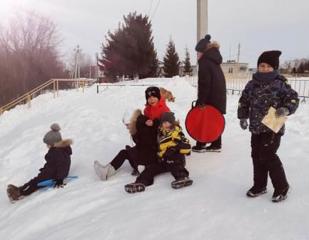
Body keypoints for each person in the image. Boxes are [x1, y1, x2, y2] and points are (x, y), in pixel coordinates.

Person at [237, 50, 299, 202]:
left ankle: (282, 186)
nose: (264, 68)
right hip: (256, 128)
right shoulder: (252, 84)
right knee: (256, 156)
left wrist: (286, 108)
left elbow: (293, 99)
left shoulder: (280, 84)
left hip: (273, 126)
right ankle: (260, 185)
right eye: (262, 65)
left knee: (268, 156)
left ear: (274, 68)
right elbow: (243, 101)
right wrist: (243, 116)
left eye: (268, 66)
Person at [94, 86, 170, 180]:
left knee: (132, 149)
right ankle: (106, 171)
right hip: (146, 144)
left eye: (154, 96)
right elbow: (144, 127)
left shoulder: (164, 110)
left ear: (158, 97)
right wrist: (137, 127)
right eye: (149, 97)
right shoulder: (147, 110)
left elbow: (168, 125)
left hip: (156, 148)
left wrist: (154, 123)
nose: (151, 99)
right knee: (124, 152)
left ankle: (141, 166)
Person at [124, 112, 192, 193]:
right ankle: (140, 183)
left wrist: (175, 148)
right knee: (150, 168)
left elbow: (187, 147)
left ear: (172, 123)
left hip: (176, 159)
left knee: (174, 160)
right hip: (163, 160)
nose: (166, 124)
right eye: (164, 122)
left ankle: (182, 177)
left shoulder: (177, 133)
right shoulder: (160, 133)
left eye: (168, 122)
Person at [7, 123, 73, 202]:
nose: (47, 146)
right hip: (51, 172)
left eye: (48, 144)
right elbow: (54, 163)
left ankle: (20, 193)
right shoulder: (60, 149)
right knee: (35, 180)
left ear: (53, 143)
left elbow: (62, 165)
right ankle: (21, 188)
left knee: (36, 183)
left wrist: (59, 179)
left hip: (54, 175)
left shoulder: (57, 152)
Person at [192, 34, 227, 153]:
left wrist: (201, 101)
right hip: (218, 97)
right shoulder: (214, 60)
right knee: (214, 120)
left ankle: (201, 144)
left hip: (210, 97)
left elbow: (204, 83)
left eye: (198, 52)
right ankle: (216, 144)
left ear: (203, 52)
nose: (197, 55)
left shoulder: (205, 62)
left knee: (203, 118)